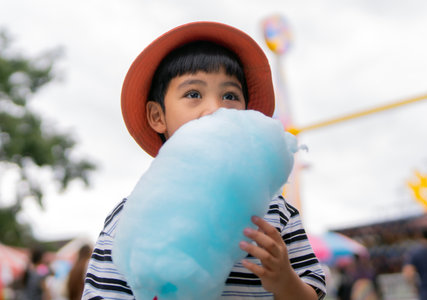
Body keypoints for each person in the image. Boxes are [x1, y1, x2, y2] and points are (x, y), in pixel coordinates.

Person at [82, 21, 326, 300]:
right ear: (157, 117)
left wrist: (284, 280)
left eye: (230, 95)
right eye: (193, 94)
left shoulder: (277, 211)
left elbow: (313, 294)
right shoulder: (127, 218)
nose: (215, 109)